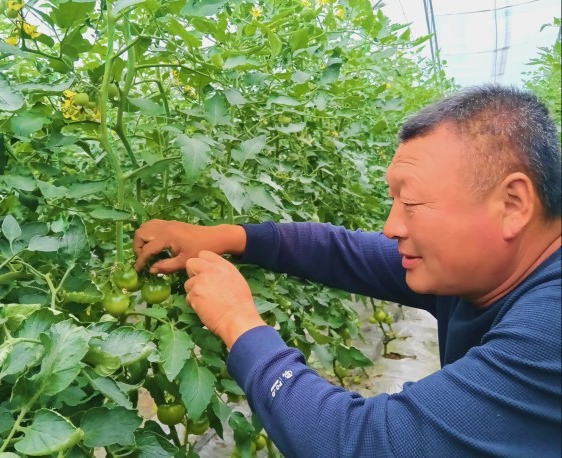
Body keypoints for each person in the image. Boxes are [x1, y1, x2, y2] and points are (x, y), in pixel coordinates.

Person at [133, 85, 561, 457]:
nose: (391, 227)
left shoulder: (552, 323)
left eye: (411, 203)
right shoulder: (478, 270)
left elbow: (363, 443)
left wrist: (237, 321)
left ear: (513, 205)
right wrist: (227, 236)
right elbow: (342, 251)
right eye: (394, 201)